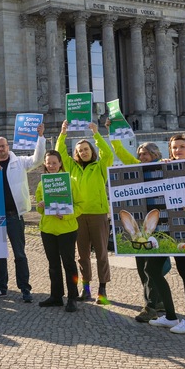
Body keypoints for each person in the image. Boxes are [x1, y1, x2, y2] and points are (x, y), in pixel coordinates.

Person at [140, 133, 185, 334]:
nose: (177, 151)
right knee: (151, 269)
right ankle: (170, 316)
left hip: (184, 229)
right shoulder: (164, 167)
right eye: (174, 148)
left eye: (181, 147)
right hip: (164, 228)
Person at [0, 123, 46, 302]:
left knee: (19, 254)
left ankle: (25, 288)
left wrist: (40, 137)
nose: (0, 149)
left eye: (3, 146)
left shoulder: (20, 161)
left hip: (14, 215)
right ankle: (1, 287)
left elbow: (38, 159)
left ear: (8, 147)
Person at [57, 120, 113, 304]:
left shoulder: (100, 167)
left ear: (91, 151)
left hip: (98, 215)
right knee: (82, 255)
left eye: (86, 149)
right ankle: (86, 288)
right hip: (79, 215)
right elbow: (60, 153)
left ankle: (102, 289)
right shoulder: (71, 167)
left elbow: (107, 154)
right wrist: (63, 133)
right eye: (80, 150)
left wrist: (96, 134)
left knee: (102, 253)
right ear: (77, 154)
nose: (83, 152)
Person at [111, 138, 166, 322]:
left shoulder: (164, 167)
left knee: (151, 267)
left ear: (155, 155)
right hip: (141, 226)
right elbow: (124, 156)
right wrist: (114, 137)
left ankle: (151, 306)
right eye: (140, 154)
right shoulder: (137, 168)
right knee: (142, 266)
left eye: (146, 154)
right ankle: (157, 302)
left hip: (158, 225)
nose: (142, 157)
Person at [35, 150, 79, 311]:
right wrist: (39, 206)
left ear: (60, 163)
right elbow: (40, 208)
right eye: (48, 163)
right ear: (45, 164)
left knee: (69, 264)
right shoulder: (42, 183)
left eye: (54, 163)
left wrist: (66, 216)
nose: (51, 166)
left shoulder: (71, 181)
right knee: (53, 264)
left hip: (67, 229)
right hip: (48, 230)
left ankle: (72, 297)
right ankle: (56, 296)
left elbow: (80, 205)